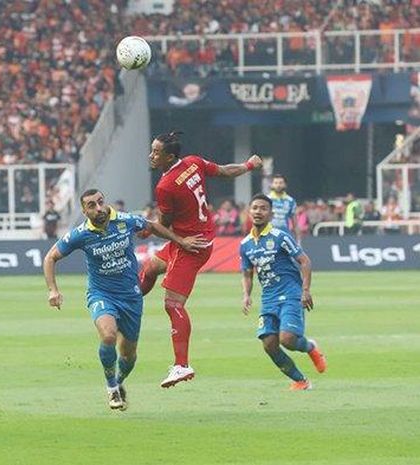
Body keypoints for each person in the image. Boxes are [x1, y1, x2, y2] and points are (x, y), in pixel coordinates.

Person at [43, 189, 197, 410]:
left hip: (131, 296)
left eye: (100, 202)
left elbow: (152, 226)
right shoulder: (80, 234)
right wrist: (52, 290)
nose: (98, 208)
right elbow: (50, 257)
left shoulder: (126, 221)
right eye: (92, 206)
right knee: (108, 336)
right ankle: (111, 388)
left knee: (129, 354)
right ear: (85, 211)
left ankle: (120, 380)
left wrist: (180, 241)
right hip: (101, 293)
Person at [139, 131, 263, 388]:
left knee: (173, 305)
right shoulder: (193, 162)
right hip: (195, 236)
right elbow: (225, 171)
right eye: (152, 150)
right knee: (150, 268)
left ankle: (181, 366)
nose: (151, 155)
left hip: (190, 245)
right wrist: (249, 165)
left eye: (156, 152)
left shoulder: (165, 186)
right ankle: (127, 305)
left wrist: (146, 228)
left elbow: (164, 224)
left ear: (169, 156)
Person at [240, 194, 327, 391]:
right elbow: (247, 273)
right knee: (269, 344)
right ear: (249, 212)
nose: (258, 212)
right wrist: (246, 295)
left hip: (290, 293)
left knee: (287, 339)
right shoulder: (245, 244)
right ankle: (301, 381)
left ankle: (310, 347)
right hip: (268, 298)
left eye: (263, 208)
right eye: (254, 208)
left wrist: (305, 290)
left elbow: (305, 261)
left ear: (270, 214)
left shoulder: (280, 236)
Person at [268, 174, 300, 243]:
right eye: (276, 183)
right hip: (268, 237)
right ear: (272, 185)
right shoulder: (266, 200)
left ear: (285, 185)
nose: (278, 185)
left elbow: (295, 224)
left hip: (284, 237)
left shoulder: (290, 201)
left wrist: (298, 241)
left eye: (280, 183)